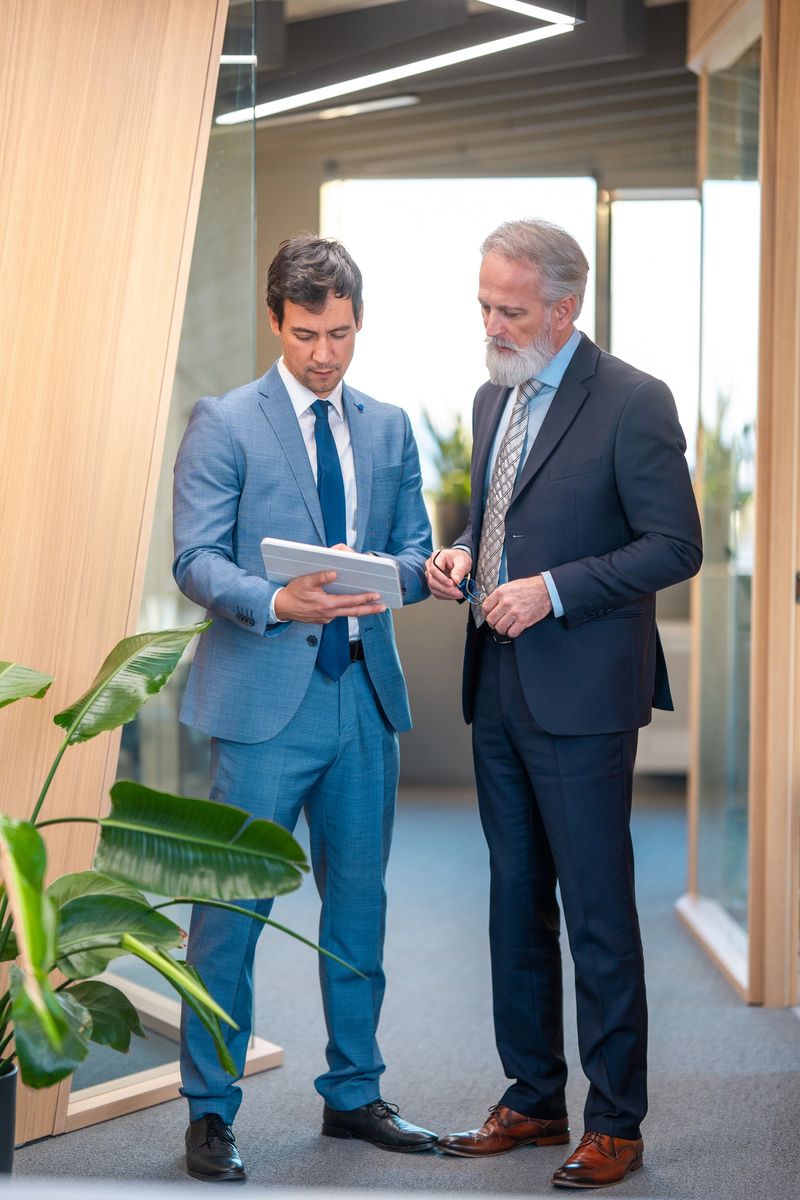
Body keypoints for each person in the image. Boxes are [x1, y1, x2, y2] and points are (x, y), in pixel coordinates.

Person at [426, 219, 702, 1190]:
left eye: (509, 310)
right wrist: (462, 551)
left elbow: (674, 546)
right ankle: (534, 1098)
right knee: (513, 904)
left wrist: (550, 590)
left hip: (583, 692)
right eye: (483, 306)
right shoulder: (490, 395)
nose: (491, 325)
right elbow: (498, 516)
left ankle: (615, 1122)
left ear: (563, 308)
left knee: (594, 912)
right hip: (496, 683)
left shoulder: (632, 400)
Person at [173, 235, 436, 1182]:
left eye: (341, 333)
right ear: (275, 322)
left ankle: (354, 1094)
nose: (325, 354)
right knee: (230, 915)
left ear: (359, 323)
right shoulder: (226, 422)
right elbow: (195, 559)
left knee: (359, 908)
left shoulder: (389, 427)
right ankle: (210, 1110)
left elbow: (416, 552)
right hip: (263, 705)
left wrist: (404, 574)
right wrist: (278, 600)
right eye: (306, 334)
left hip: (363, 697)